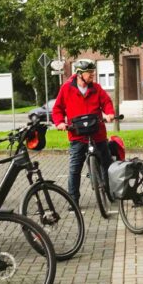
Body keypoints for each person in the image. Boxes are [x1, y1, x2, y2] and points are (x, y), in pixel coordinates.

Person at [51, 58, 115, 205]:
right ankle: (73, 200)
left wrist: (109, 113)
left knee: (107, 164)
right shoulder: (66, 88)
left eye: (93, 72)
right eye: (89, 72)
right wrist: (60, 122)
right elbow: (57, 108)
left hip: (97, 134)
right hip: (77, 136)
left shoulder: (96, 88)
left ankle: (110, 190)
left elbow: (106, 102)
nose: (93, 74)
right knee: (74, 169)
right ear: (79, 74)